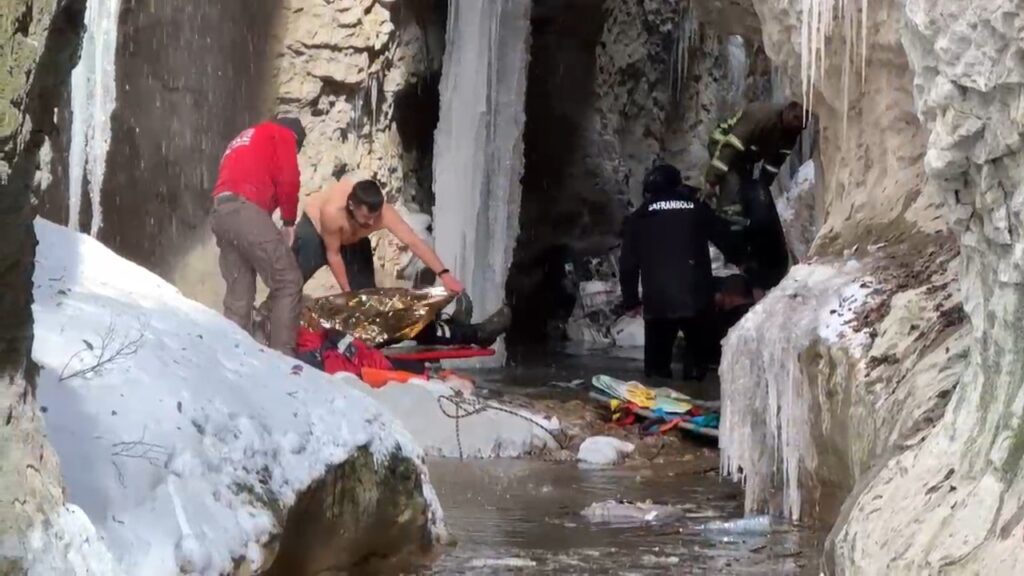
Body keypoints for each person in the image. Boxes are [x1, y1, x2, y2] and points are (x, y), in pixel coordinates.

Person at [619, 164, 743, 381]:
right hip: (696, 300)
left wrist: (631, 301)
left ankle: (658, 394)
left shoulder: (639, 217)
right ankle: (697, 391)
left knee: (656, 372)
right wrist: (743, 262)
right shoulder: (696, 208)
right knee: (699, 366)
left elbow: (628, 263)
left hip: (658, 301)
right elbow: (726, 238)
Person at [210, 117, 305, 355]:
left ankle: (233, 355)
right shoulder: (283, 135)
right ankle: (283, 357)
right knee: (288, 281)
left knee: (239, 294)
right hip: (246, 209)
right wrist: (289, 222)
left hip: (221, 212)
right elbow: (288, 179)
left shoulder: (245, 137)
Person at [293, 174, 465, 294]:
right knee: (289, 285)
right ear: (352, 206)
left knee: (365, 295)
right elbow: (333, 254)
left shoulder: (384, 214)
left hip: (352, 240)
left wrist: (444, 274)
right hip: (314, 233)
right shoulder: (332, 212)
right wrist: (347, 292)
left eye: (375, 217)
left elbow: (414, 242)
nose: (371, 223)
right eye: (367, 217)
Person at [706, 101, 804, 292]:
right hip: (724, 143)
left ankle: (745, 249)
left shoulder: (791, 132)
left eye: (801, 122)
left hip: (747, 155)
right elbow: (731, 147)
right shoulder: (760, 115)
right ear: (786, 111)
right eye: (795, 118)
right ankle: (727, 255)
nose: (798, 123)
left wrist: (761, 191)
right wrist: (712, 180)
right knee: (731, 195)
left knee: (744, 196)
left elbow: (773, 163)